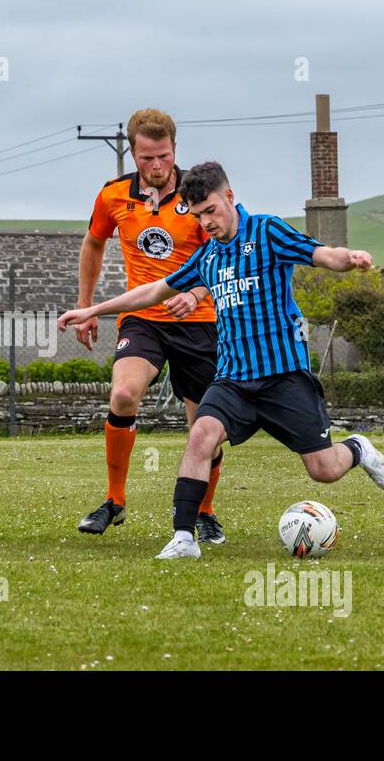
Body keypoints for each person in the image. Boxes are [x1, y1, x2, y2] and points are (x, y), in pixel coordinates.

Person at [58, 161, 384, 559]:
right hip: (233, 379)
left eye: (212, 211)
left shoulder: (267, 232)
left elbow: (321, 254)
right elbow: (153, 292)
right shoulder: (208, 257)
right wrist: (94, 310)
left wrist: (349, 258)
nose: (207, 223)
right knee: (201, 436)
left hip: (283, 378)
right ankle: (184, 538)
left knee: (324, 470)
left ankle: (358, 448)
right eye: (199, 216)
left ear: (230, 198)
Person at [72, 109, 226, 544]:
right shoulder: (113, 196)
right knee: (123, 393)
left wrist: (195, 293)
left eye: (163, 156)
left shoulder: (198, 195)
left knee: (205, 429)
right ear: (132, 153)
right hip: (143, 318)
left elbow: (225, 252)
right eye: (146, 158)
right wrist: (86, 307)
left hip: (200, 320)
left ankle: (205, 512)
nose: (156, 167)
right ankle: (114, 501)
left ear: (175, 150)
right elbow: (94, 243)